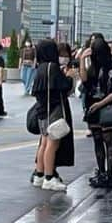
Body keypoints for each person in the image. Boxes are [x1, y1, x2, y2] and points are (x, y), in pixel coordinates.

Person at [30, 39, 73, 192]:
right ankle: (49, 177)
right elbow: (64, 86)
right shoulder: (52, 67)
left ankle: (39, 174)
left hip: (42, 111)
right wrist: (69, 77)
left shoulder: (40, 68)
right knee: (52, 145)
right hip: (53, 110)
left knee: (43, 143)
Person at [83, 33, 112, 190]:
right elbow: (85, 82)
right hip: (93, 107)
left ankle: (109, 174)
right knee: (98, 140)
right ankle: (101, 172)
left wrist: (100, 104)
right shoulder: (93, 65)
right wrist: (81, 59)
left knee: (108, 140)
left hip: (106, 107)